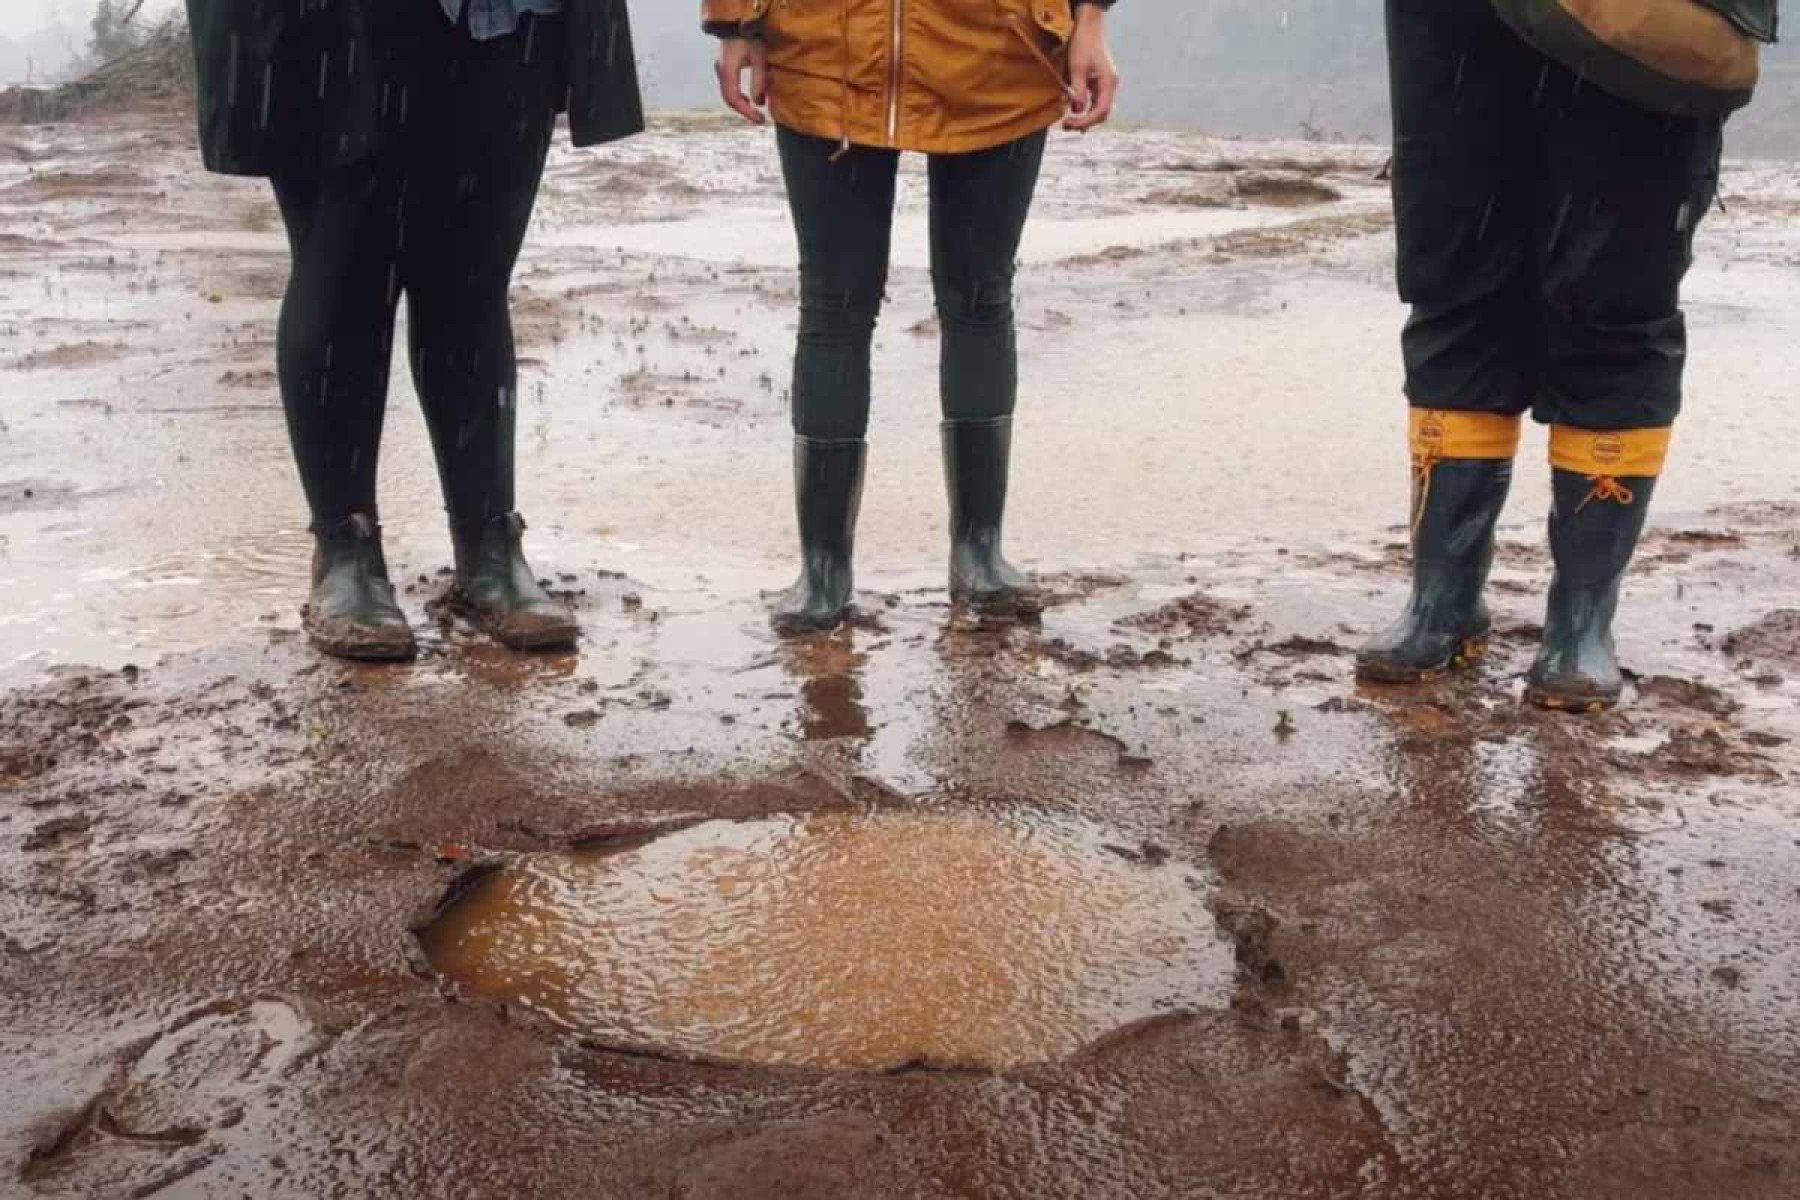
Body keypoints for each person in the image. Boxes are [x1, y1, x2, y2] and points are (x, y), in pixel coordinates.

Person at [185, 0, 643, 660]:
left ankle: (489, 546)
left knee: (473, 281)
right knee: (340, 274)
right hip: (328, 26)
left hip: (504, 21)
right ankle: (346, 549)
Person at [703, 0, 1122, 632]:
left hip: (1000, 48)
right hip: (824, 47)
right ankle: (823, 566)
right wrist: (736, 21)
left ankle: (979, 550)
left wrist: (1090, 18)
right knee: (833, 306)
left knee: (979, 298)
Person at [1358, 0, 1725, 712]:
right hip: (1454, 18)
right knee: (1453, 275)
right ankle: (1443, 603)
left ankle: (1580, 624)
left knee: (1616, 290)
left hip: (1643, 23)